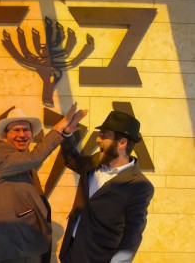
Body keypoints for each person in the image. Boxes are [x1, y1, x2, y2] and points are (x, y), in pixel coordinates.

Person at [0, 103, 86, 263]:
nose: (22, 134)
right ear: (4, 136)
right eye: (16, 130)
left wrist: (65, 134)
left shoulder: (21, 162)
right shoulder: (1, 153)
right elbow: (35, 158)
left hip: (26, 247)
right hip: (11, 249)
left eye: (26, 130)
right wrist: (60, 128)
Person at [59, 110, 154, 263]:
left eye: (104, 135)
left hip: (99, 258)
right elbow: (72, 159)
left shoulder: (140, 185)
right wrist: (67, 134)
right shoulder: (95, 161)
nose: (97, 139)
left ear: (122, 142)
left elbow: (133, 232)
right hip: (70, 252)